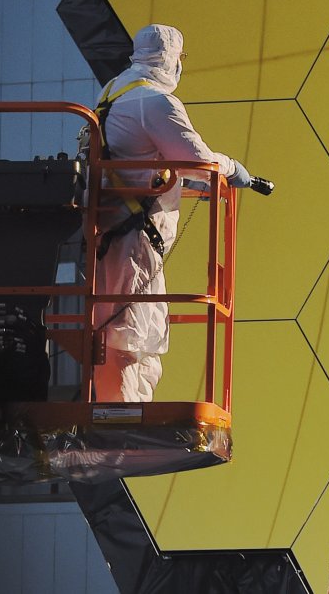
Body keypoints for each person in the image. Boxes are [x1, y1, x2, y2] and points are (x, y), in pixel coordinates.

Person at [91, 24, 255, 403]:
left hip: (115, 230)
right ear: (172, 59)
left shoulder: (114, 92)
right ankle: (121, 419)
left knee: (125, 327)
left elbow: (137, 161)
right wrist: (231, 169)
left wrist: (187, 185)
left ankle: (123, 410)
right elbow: (198, 160)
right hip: (132, 239)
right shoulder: (154, 102)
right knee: (128, 332)